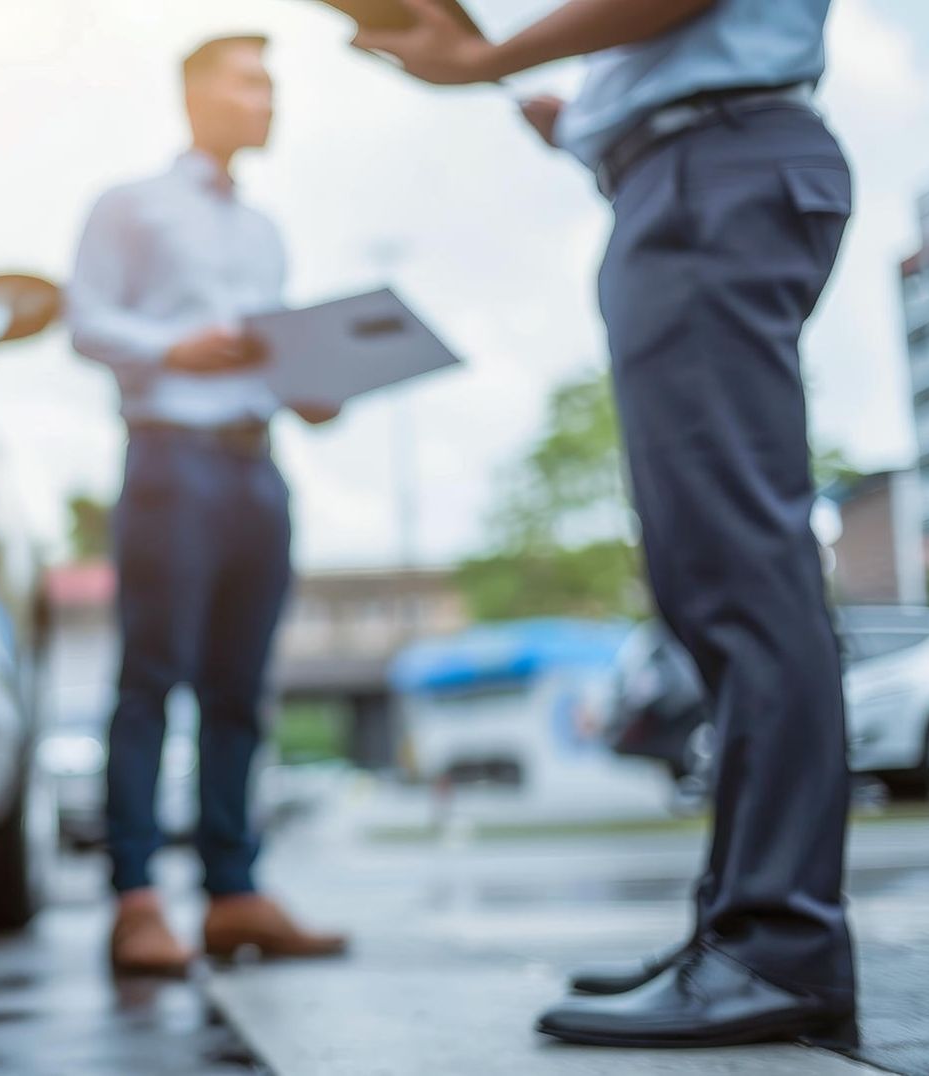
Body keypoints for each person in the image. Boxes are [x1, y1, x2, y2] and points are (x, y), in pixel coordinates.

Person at [354, 0, 857, 1051]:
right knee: (706, 573)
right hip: (686, 169)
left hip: (712, 170)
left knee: (738, 573)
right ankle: (742, 930)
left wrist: (485, 54)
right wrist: (584, 117)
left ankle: (775, 942)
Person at [67, 33, 347, 978]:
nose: (268, 99)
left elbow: (275, 352)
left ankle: (234, 896)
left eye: (273, 82)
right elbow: (85, 319)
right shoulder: (129, 205)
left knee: (241, 691)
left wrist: (315, 382)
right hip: (169, 462)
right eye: (251, 81)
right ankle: (137, 899)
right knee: (151, 680)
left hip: (255, 467)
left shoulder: (266, 233)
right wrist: (171, 348)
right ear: (196, 95)